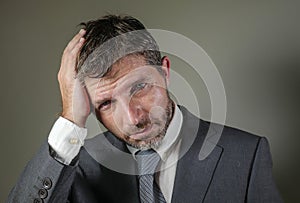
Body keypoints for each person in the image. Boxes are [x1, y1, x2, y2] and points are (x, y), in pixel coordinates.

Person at [7, 15, 282, 203]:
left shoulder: (246, 155)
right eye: (105, 103)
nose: (133, 118)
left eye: (139, 87)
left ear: (164, 72)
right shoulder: (78, 167)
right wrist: (71, 118)